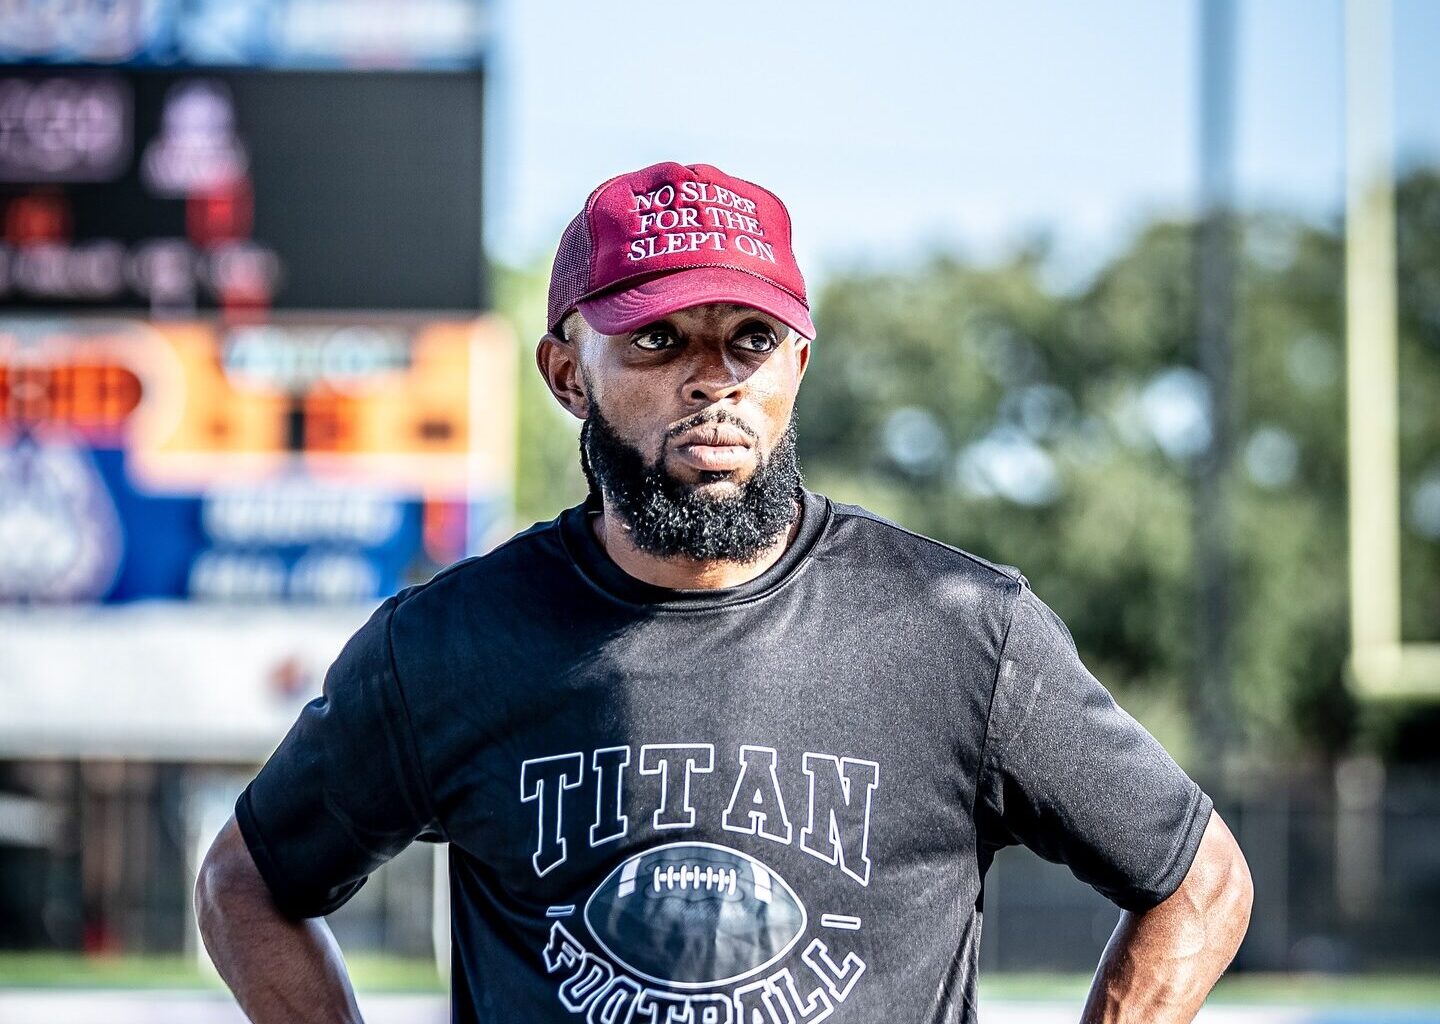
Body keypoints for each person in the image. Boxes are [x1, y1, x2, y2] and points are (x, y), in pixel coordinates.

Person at [195, 161, 1252, 1024]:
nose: (714, 381)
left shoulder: (963, 631)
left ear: (798, 361)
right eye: (657, 339)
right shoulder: (450, 644)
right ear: (568, 374)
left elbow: (1200, 880)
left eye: (751, 339)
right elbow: (246, 885)